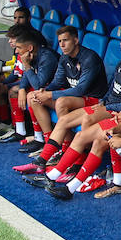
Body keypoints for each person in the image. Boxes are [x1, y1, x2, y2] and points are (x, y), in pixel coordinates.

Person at [40, 60, 121, 201]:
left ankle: (69, 185)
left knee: (114, 140)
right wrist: (114, 129)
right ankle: (67, 185)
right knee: (100, 139)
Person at [18, 25, 106, 156]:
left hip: (94, 100)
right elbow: (57, 82)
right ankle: (50, 144)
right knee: (33, 97)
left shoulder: (89, 58)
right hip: (77, 99)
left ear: (76, 40)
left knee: (61, 102)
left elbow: (80, 90)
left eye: (66, 40)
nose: (62, 45)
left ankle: (66, 149)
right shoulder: (64, 58)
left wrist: (50, 94)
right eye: (59, 41)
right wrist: (44, 91)